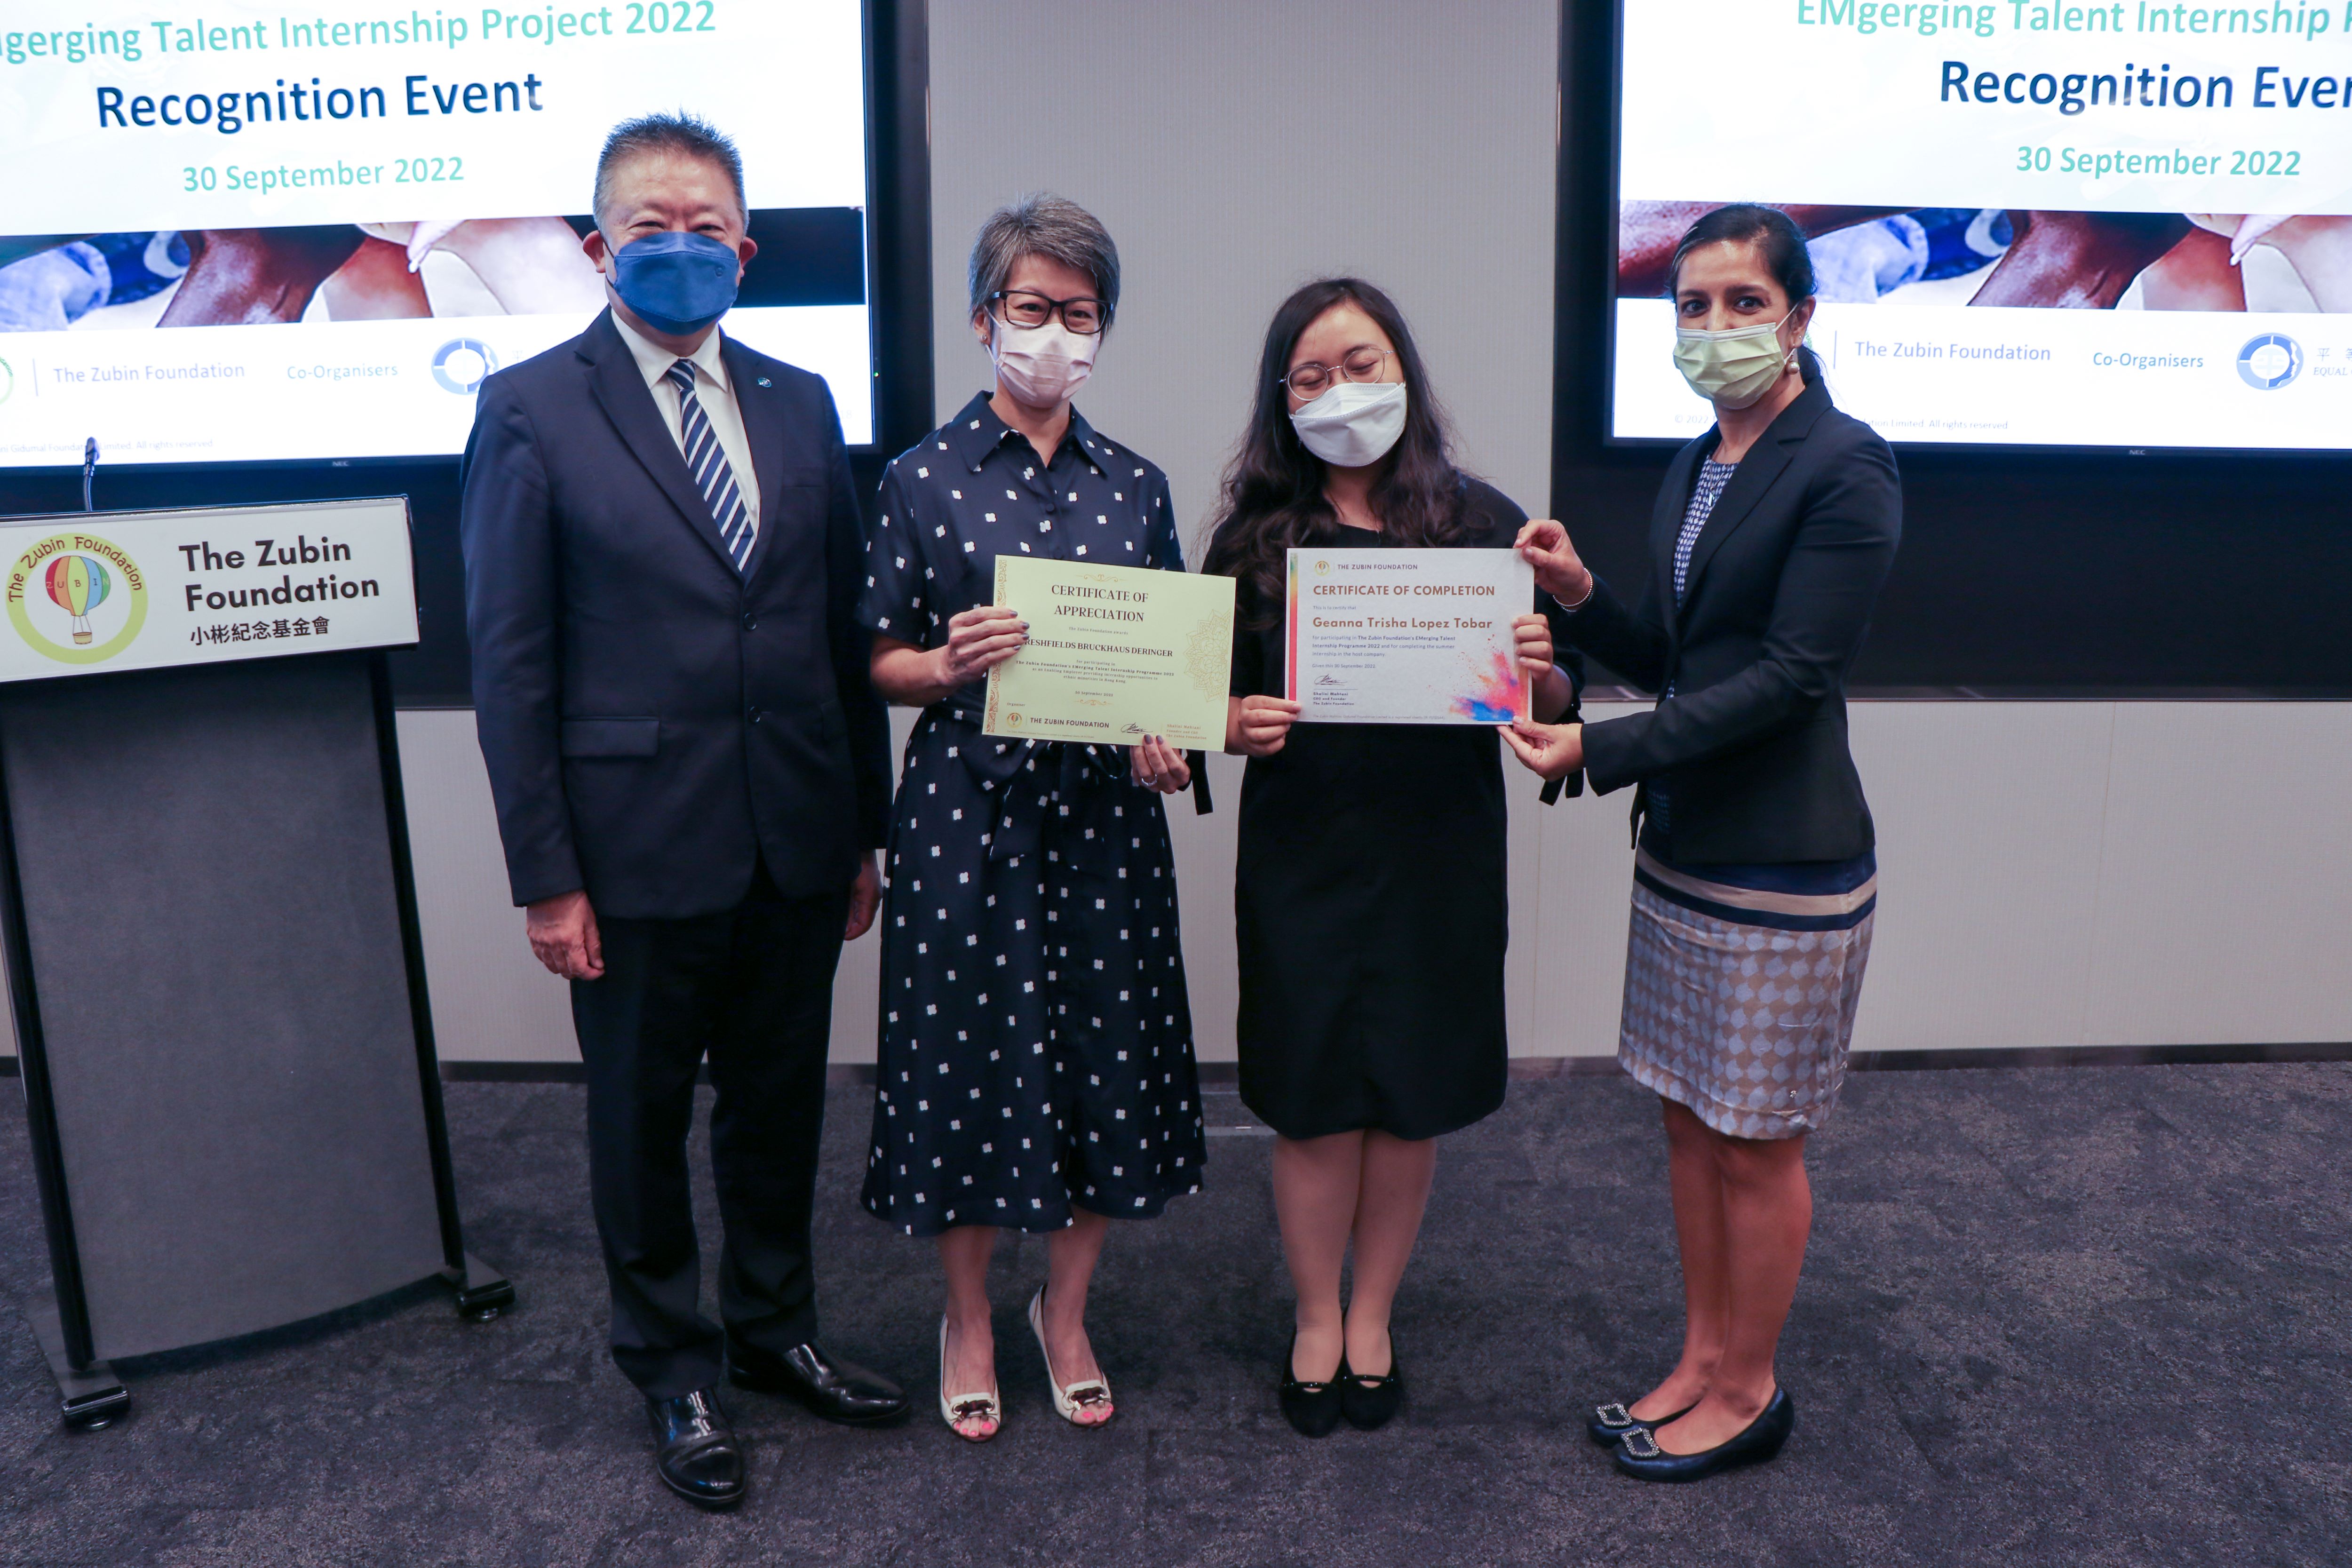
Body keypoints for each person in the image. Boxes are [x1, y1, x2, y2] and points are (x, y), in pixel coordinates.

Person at [460, 112, 909, 1512]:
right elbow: (511, 656)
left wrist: (865, 826)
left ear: (747, 248)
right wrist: (547, 871)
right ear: (599, 250)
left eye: (705, 226)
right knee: (640, 1119)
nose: (678, 247)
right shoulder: (531, 406)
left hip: (795, 829)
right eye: (647, 226)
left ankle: (775, 1331)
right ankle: (673, 1362)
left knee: (778, 1105)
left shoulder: (798, 399)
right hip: (631, 845)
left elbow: (841, 631)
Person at [1502, 204, 1901, 1481]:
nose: (1715, 325)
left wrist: (1599, 750)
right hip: (1686, 850)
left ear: (1800, 316)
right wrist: (1578, 602)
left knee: (1756, 1137)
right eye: (1692, 303)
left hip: (1785, 863)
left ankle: (1750, 1385)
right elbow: (1684, 659)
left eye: (1742, 301)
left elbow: (1789, 678)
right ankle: (1697, 1357)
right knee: (1688, 1123)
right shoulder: (1699, 459)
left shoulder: (1847, 463)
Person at [858, 194, 1209, 1442]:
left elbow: (1172, 670)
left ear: (1103, 329)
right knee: (965, 1063)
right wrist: (947, 665)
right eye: (1030, 309)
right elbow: (878, 657)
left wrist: (1169, 744)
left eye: (1078, 313)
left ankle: (1065, 1311)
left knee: (1102, 1064)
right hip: (969, 816)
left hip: (1106, 825)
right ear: (981, 316)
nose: (1053, 333)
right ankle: (965, 1314)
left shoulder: (1137, 485)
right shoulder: (921, 478)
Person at [1203, 278, 1579, 1439]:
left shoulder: (1480, 521)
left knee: (1408, 1097)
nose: (1339, 391)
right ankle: (1315, 1315)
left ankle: (1375, 1314)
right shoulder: (1252, 538)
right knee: (1313, 1099)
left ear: (1404, 373)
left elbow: (1551, 696)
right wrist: (1231, 719)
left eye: (1360, 365)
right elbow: (1194, 696)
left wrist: (1543, 667)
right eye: (1311, 376)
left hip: (1437, 853)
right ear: (1282, 400)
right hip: (1304, 855)